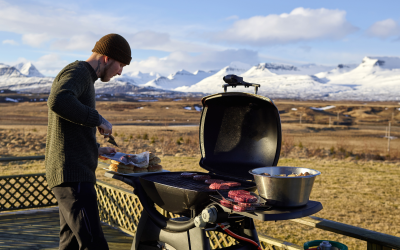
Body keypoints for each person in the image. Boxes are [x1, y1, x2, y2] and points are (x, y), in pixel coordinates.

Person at [45, 33, 131, 250]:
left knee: (71, 243)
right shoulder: (79, 72)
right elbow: (58, 100)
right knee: (94, 244)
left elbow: (70, 130)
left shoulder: (84, 77)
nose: (120, 71)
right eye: (121, 64)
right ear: (106, 58)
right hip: (73, 176)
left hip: (72, 173)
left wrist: (96, 148)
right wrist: (98, 119)